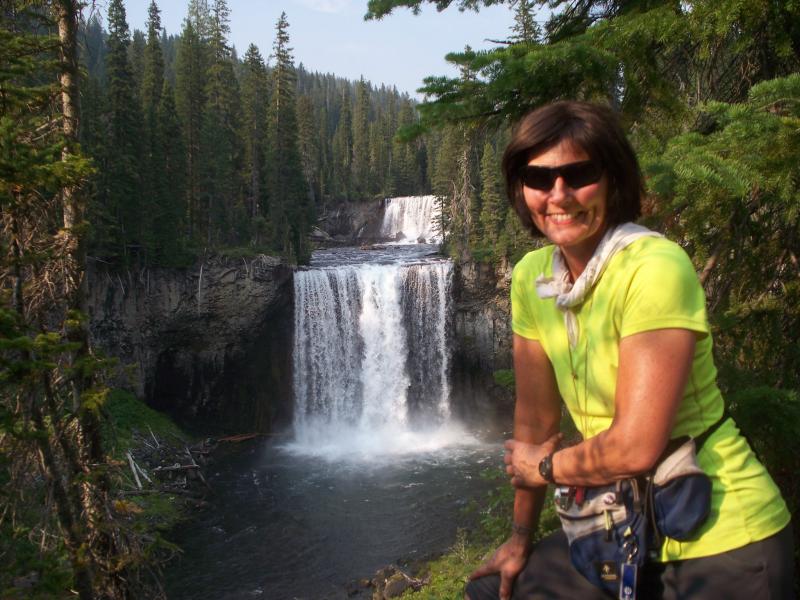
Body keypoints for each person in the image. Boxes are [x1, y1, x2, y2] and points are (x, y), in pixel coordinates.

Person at [465, 101, 793, 600]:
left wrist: (546, 468)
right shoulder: (533, 276)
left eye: (579, 173)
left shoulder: (654, 267)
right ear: (520, 188)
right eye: (539, 177)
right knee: (495, 591)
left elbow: (637, 446)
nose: (559, 194)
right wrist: (518, 538)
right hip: (620, 527)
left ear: (614, 180)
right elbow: (534, 425)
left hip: (722, 534)